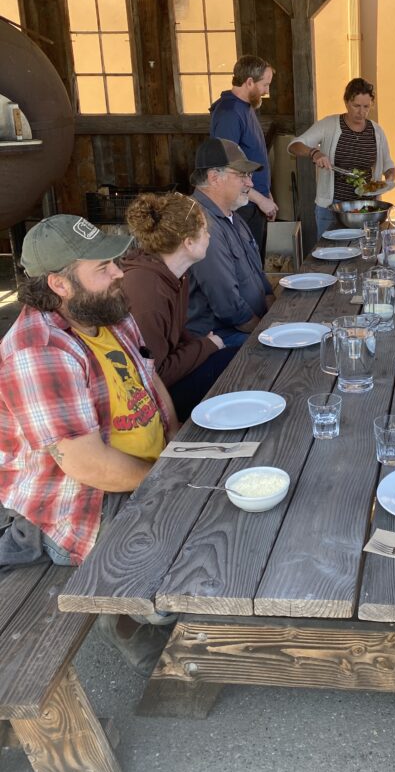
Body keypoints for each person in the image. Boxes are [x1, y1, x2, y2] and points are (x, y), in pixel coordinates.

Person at [0, 214, 178, 672]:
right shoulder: (38, 351)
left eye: (114, 261)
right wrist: (173, 482)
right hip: (79, 502)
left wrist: (178, 441)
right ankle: (125, 615)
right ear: (59, 283)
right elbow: (87, 467)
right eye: (103, 267)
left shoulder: (106, 311)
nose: (119, 272)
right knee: (189, 553)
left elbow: (149, 377)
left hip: (146, 465)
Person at [122, 192, 239, 422]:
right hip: (147, 403)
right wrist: (206, 346)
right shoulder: (148, 292)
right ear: (188, 242)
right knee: (231, 361)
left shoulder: (175, 274)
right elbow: (157, 374)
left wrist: (202, 345)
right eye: (205, 231)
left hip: (167, 375)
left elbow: (173, 336)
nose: (208, 236)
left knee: (233, 356)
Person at [187, 137, 275, 347]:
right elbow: (228, 306)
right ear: (214, 177)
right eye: (242, 175)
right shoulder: (200, 223)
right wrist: (266, 333)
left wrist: (276, 317)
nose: (250, 183)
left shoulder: (232, 215)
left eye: (249, 175)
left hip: (253, 325)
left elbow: (260, 278)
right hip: (221, 337)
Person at [287, 78, 395, 237]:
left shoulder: (376, 131)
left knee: (365, 253)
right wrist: (314, 153)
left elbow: (388, 165)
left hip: (367, 208)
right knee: (328, 253)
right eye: (356, 106)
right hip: (333, 208)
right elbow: (294, 146)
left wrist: (389, 179)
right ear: (346, 102)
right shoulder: (329, 125)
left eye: (366, 107)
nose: (361, 112)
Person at [209, 55, 278, 254]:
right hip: (241, 204)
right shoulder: (229, 113)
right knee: (246, 263)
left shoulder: (247, 107)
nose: (266, 91)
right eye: (265, 85)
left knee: (257, 262)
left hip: (255, 199)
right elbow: (227, 166)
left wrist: (266, 193)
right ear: (249, 82)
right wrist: (260, 199)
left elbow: (252, 155)